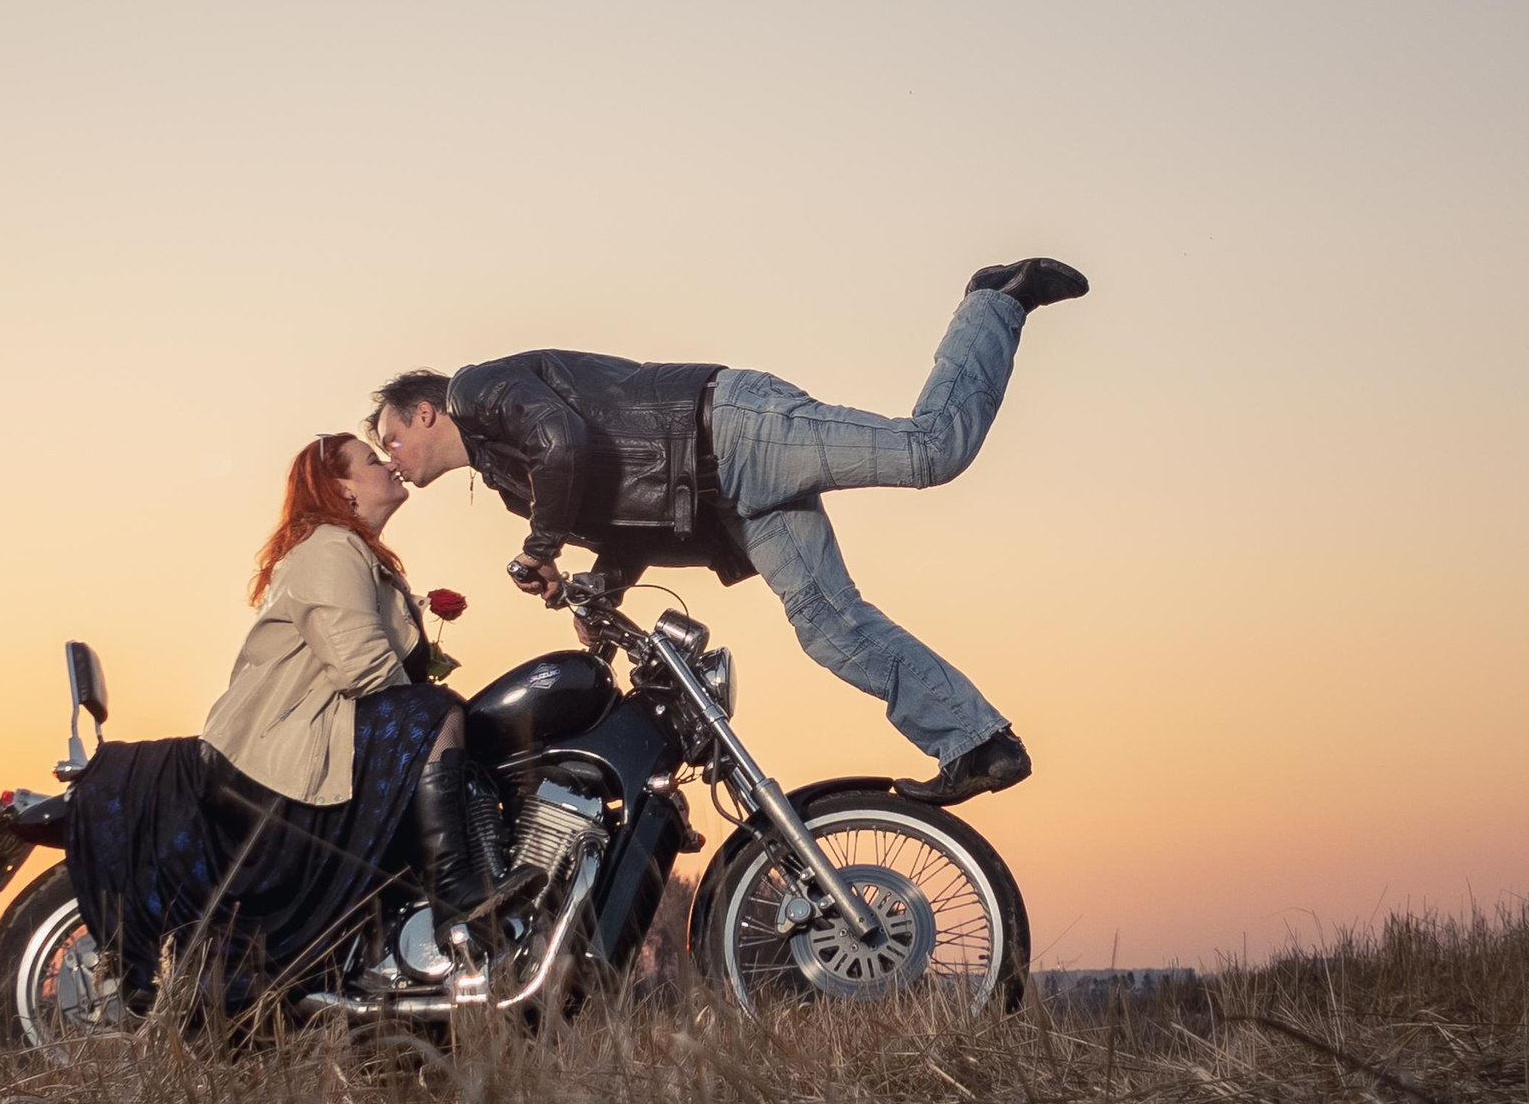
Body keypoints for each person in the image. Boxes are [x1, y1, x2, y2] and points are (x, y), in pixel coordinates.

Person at [365, 257, 1088, 807]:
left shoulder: (476, 389)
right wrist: (594, 591)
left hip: (732, 429)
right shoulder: (508, 482)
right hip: (725, 498)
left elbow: (564, 437)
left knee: (929, 451)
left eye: (390, 438)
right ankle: (977, 742)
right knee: (829, 627)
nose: (390, 458)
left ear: (425, 413)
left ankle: (996, 298)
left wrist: (544, 546)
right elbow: (629, 523)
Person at [64, 433, 515, 1014]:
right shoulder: (329, 547)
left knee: (443, 725)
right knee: (435, 713)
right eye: (372, 460)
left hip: (317, 736)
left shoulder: (354, 553)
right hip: (280, 751)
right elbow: (361, 665)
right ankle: (457, 896)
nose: (388, 465)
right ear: (340, 487)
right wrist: (434, 720)